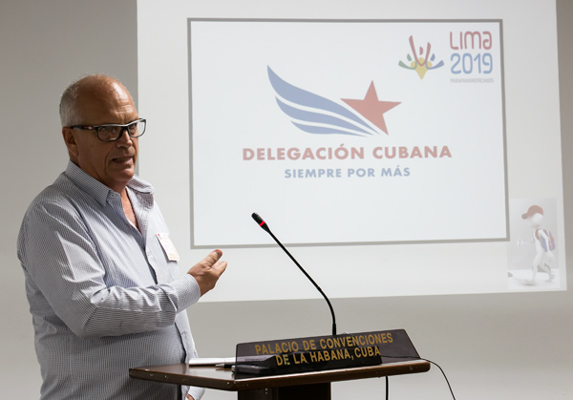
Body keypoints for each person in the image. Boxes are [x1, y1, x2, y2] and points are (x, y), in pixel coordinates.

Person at [17, 74, 227, 400]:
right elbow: (91, 312)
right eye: (108, 130)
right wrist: (188, 288)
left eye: (132, 126)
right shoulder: (54, 215)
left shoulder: (144, 201)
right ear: (71, 140)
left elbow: (172, 326)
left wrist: (190, 391)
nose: (126, 141)